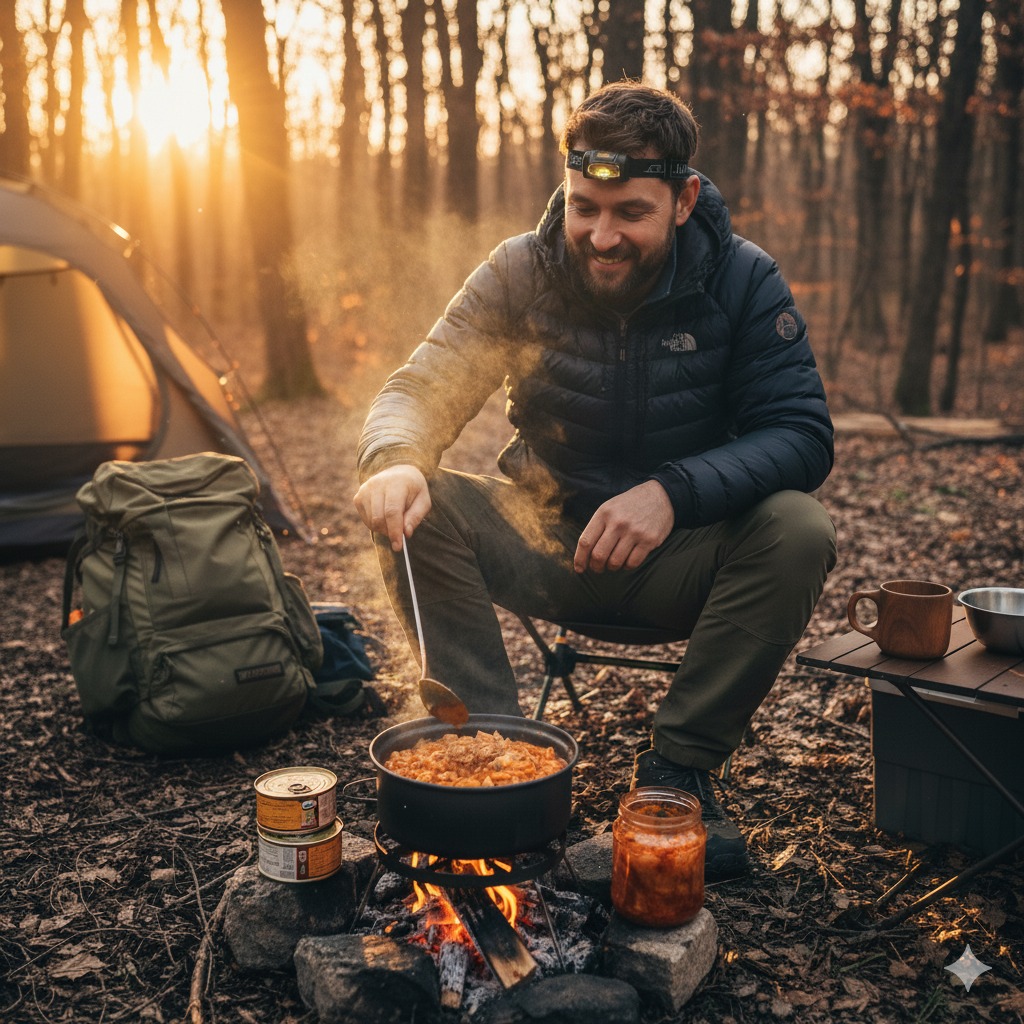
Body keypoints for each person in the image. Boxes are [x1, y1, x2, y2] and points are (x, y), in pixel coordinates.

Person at [354, 81, 837, 881]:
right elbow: (419, 386)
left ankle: (677, 774)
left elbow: (801, 434)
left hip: (680, 562)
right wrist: (395, 456)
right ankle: (490, 751)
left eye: (629, 215)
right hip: (542, 543)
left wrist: (674, 492)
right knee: (420, 499)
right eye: (585, 208)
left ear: (683, 200)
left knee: (799, 528)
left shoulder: (743, 279)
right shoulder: (520, 269)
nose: (601, 236)